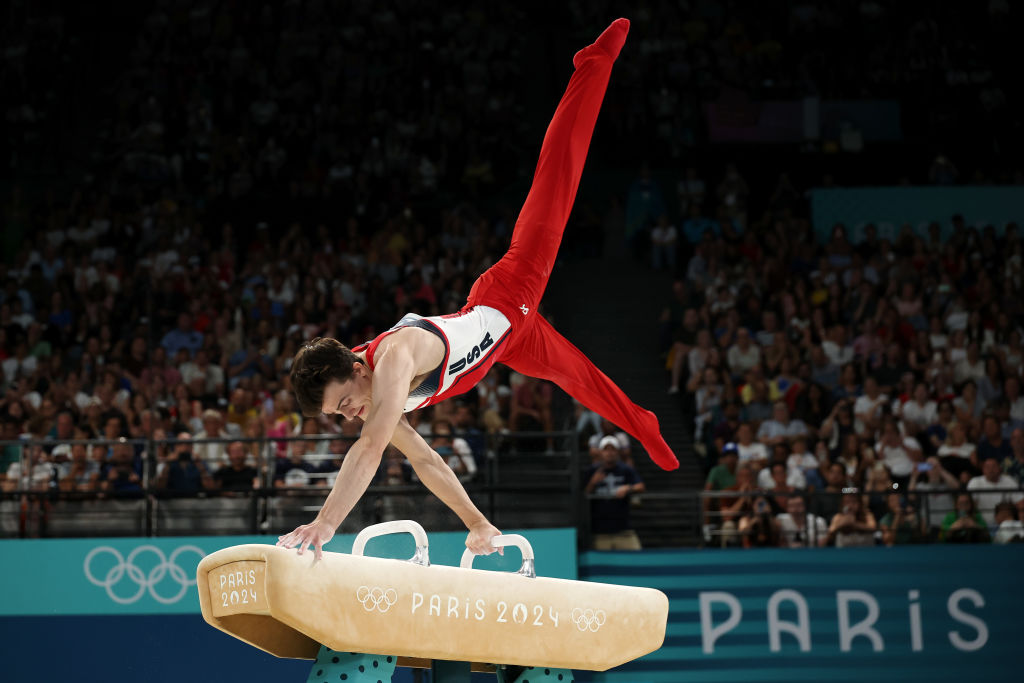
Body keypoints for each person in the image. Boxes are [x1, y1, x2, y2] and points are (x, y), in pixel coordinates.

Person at [277, 20, 678, 560]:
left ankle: (592, 66)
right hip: (509, 341)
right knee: (581, 379)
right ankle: (643, 422)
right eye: (340, 415)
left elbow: (370, 449)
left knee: (557, 174)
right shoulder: (377, 396)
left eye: (345, 402)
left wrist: (325, 525)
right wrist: (479, 524)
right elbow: (425, 461)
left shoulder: (393, 358)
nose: (351, 415)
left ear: (357, 366)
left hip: (508, 292)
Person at [585, 435, 646, 549]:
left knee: (636, 558)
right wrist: (593, 483)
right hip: (600, 532)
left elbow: (641, 486)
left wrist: (628, 488)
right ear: (600, 452)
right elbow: (583, 494)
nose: (609, 453)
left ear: (618, 452)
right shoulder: (592, 470)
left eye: (613, 449)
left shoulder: (625, 469)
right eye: (606, 449)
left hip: (624, 530)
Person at [966, 458, 1023, 525]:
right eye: (987, 467)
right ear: (983, 469)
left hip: (1005, 525)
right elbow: (969, 505)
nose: (991, 470)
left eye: (994, 466)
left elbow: (1021, 503)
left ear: (1000, 468)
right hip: (982, 526)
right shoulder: (975, 482)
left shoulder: (1008, 480)